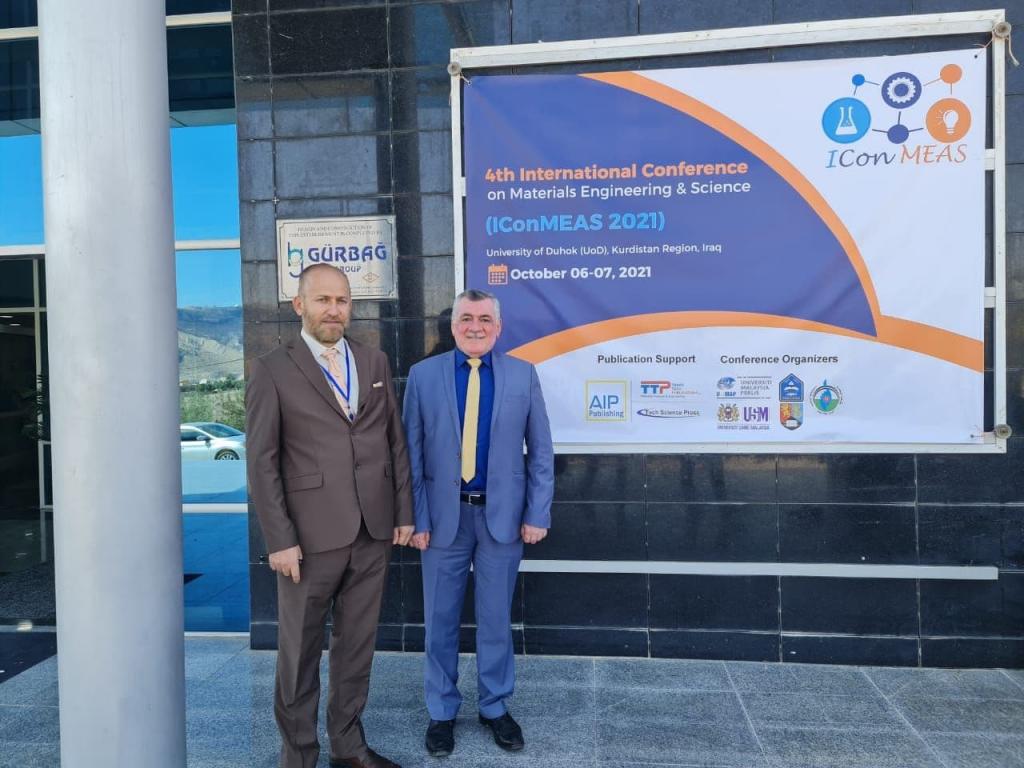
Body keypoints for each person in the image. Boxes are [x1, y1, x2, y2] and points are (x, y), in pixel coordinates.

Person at [246, 263, 414, 768]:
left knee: (356, 647)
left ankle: (349, 746)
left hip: (372, 530)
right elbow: (262, 462)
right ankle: (298, 754)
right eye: (322, 300)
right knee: (298, 653)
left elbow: (394, 442)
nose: (334, 310)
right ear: (299, 305)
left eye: (342, 300)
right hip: (307, 539)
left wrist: (403, 512)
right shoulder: (273, 369)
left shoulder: (373, 360)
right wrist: (279, 539)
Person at [402, 288, 554, 757]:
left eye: (485, 319)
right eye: (466, 318)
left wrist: (537, 512)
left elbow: (541, 452)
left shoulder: (523, 375)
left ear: (498, 327)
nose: (475, 327)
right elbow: (409, 454)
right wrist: (416, 517)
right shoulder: (423, 376)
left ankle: (494, 706)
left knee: (495, 620)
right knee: (439, 621)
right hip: (442, 521)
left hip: (502, 519)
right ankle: (441, 711)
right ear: (453, 326)